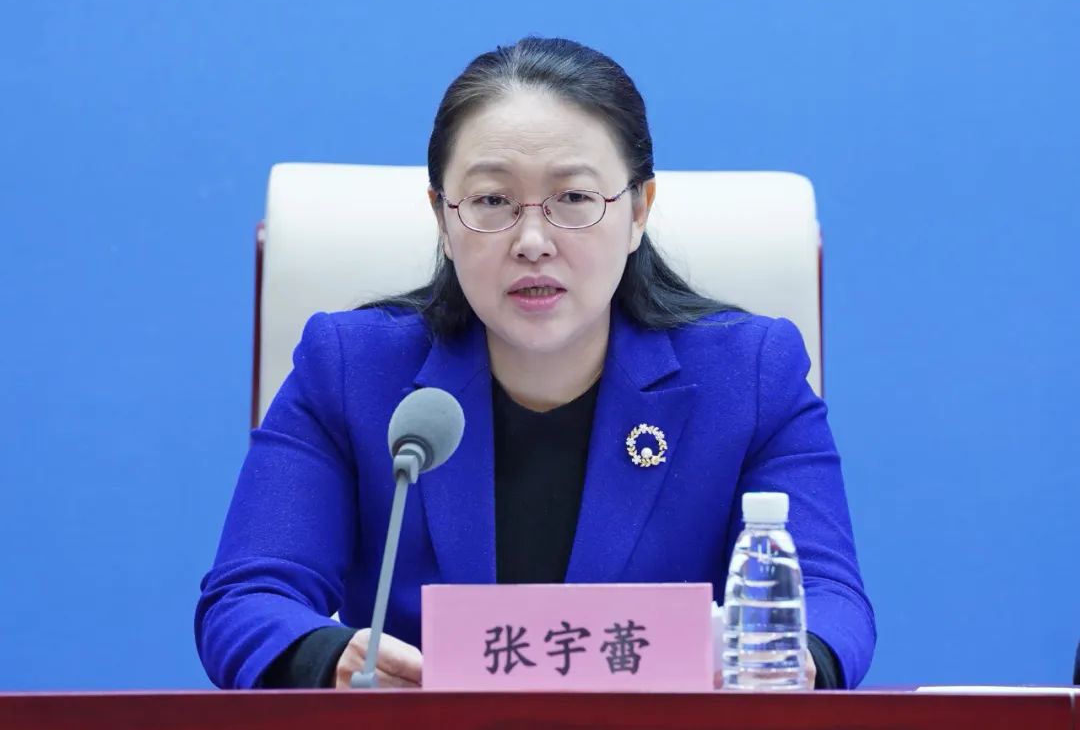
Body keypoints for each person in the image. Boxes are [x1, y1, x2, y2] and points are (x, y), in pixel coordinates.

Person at [195, 37, 876, 691]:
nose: (531, 241)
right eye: (491, 201)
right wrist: (326, 659)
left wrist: (789, 661)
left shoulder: (750, 375)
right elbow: (248, 597)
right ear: (442, 218)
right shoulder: (351, 369)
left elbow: (830, 599)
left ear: (639, 209)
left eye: (573, 199)